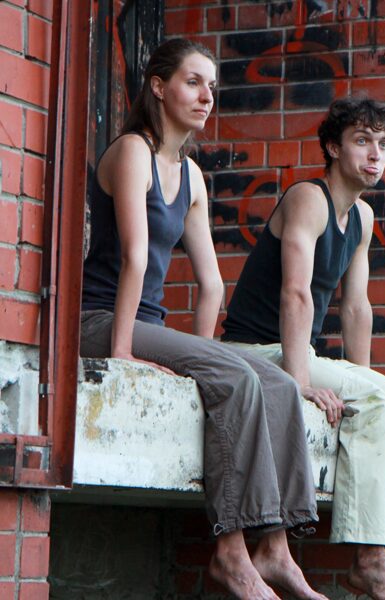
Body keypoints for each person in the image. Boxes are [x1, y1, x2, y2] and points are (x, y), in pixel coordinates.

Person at [79, 38, 327, 600]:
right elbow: (135, 257)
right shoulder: (132, 152)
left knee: (279, 385)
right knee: (235, 376)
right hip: (101, 319)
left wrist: (201, 357)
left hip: (150, 324)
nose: (206, 96)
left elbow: (212, 283)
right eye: (193, 82)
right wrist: (122, 352)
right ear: (158, 86)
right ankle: (232, 554)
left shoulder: (191, 175)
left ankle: (276, 548)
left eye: (211, 86)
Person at [222, 97, 385, 600]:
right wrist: (300, 383)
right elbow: (295, 293)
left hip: (296, 351)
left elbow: (356, 308)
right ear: (333, 147)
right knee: (371, 404)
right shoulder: (307, 198)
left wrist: (360, 378)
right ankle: (370, 560)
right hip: (254, 350)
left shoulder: (362, 217)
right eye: (362, 141)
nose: (375, 155)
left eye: (384, 144)